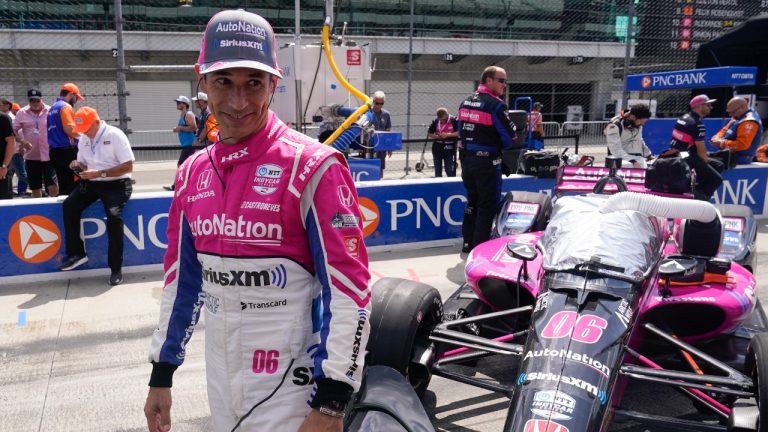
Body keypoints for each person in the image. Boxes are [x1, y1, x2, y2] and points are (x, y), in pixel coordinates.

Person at [143, 9, 371, 432]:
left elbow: (350, 291)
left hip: (294, 387)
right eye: (223, 82)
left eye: (254, 83)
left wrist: (333, 401)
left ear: (274, 84)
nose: (238, 101)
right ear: (202, 80)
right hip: (221, 379)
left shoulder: (314, 166)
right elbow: (181, 282)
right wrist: (162, 371)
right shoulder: (192, 172)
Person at [56, 107, 134, 285]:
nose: (84, 134)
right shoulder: (84, 137)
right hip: (93, 182)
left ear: (97, 122)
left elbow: (128, 166)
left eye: (87, 129)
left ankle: (116, 269)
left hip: (117, 183)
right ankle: (77, 254)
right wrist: (78, 165)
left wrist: (100, 173)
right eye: (81, 130)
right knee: (69, 205)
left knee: (113, 216)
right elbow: (84, 164)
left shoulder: (115, 135)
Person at [458, 66, 517, 254]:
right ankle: (480, 249)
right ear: (488, 80)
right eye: (501, 80)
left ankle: (468, 243)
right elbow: (509, 139)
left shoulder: (465, 102)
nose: (504, 85)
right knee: (487, 205)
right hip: (487, 163)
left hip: (467, 161)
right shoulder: (496, 105)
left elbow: (461, 131)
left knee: (472, 202)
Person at [670, 94, 722, 200]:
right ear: (698, 106)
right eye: (708, 105)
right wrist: (706, 163)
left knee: (718, 165)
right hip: (687, 158)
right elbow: (702, 152)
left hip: (677, 154)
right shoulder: (697, 124)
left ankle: (696, 188)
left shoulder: (683, 117)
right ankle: (699, 201)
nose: (711, 107)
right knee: (717, 179)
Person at [13, 89, 58, 198]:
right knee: (35, 186)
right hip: (31, 156)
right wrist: (22, 142)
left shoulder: (50, 111)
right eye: (32, 100)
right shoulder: (22, 113)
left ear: (41, 99)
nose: (35, 103)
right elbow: (13, 131)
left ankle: (53, 208)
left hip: (49, 154)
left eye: (37, 100)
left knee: (52, 184)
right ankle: (40, 211)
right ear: (29, 101)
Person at [47, 82, 84, 195]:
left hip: (55, 151)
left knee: (63, 183)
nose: (76, 100)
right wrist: (86, 138)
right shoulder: (65, 107)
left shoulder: (53, 108)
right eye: (76, 97)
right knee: (85, 178)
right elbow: (69, 129)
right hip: (68, 151)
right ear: (72, 95)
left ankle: (65, 207)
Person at [711, 97, 764, 165]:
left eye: (733, 112)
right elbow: (725, 129)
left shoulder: (749, 121)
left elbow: (742, 145)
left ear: (743, 107)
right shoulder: (738, 116)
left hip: (740, 159)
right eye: (729, 112)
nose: (730, 115)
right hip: (728, 155)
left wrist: (722, 143)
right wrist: (716, 137)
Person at [163, 96, 197, 191]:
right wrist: (179, 129)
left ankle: (175, 186)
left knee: (181, 165)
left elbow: (194, 127)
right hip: (186, 145)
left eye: (179, 102)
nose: (177, 104)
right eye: (177, 102)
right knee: (188, 166)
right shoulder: (182, 116)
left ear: (185, 104)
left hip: (190, 144)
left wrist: (180, 128)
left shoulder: (189, 114)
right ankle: (187, 185)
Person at [605, 104, 653, 168]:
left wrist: (648, 154)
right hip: (619, 160)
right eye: (641, 121)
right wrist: (632, 161)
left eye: (644, 122)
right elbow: (615, 150)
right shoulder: (615, 125)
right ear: (633, 117)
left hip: (637, 158)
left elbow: (639, 140)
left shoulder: (638, 125)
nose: (643, 124)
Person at [427, 107, 459, 177]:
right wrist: (438, 137)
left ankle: (451, 185)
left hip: (449, 148)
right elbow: (429, 133)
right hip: (437, 147)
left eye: (444, 120)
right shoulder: (436, 121)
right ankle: (438, 186)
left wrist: (448, 135)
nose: (442, 121)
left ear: (447, 115)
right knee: (437, 171)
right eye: (440, 120)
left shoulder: (454, 120)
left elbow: (459, 133)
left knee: (449, 170)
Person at [370, 90, 392, 171]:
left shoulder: (386, 114)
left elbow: (388, 130)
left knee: (380, 168)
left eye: (381, 104)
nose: (379, 106)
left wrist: (389, 147)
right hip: (369, 146)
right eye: (377, 103)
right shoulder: (367, 113)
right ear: (373, 101)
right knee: (370, 168)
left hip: (381, 147)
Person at [0, 110, 15, 200]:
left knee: (4, 204)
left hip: (2, 171)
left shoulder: (3, 118)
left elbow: (11, 142)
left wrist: (4, 165)